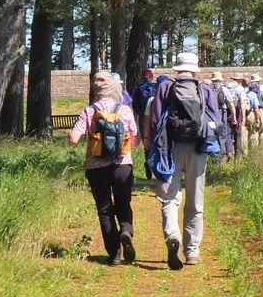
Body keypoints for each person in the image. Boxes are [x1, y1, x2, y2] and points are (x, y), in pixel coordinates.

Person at [146, 52, 222, 270]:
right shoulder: (204, 89)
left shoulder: (165, 87)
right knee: (195, 202)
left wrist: (152, 148)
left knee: (169, 198)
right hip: (198, 149)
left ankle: (173, 235)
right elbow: (216, 120)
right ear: (194, 69)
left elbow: (154, 122)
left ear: (177, 69)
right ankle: (192, 251)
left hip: (169, 148)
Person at [69, 72, 140, 266]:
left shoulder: (89, 111)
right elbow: (135, 142)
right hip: (122, 166)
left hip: (96, 167)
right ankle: (126, 230)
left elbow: (74, 139)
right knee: (123, 204)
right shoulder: (125, 110)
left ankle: (114, 254)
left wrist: (77, 134)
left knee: (105, 210)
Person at [131, 70, 157, 180]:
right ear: (151, 77)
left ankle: (148, 161)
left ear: (142, 77)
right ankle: (155, 164)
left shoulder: (137, 88)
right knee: (156, 140)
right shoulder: (157, 87)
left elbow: (134, 104)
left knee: (146, 141)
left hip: (142, 117)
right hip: (156, 116)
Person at [224, 74, 249, 158]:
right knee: (237, 133)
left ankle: (229, 152)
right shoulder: (239, 88)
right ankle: (237, 155)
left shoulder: (225, 87)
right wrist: (243, 116)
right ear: (239, 80)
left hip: (226, 111)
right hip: (237, 111)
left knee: (228, 133)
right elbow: (242, 102)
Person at [209, 72, 232, 161]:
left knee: (213, 135)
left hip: (211, 115)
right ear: (220, 80)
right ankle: (220, 158)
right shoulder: (224, 89)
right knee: (222, 135)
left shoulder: (209, 89)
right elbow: (231, 103)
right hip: (222, 113)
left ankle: (214, 157)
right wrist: (233, 115)